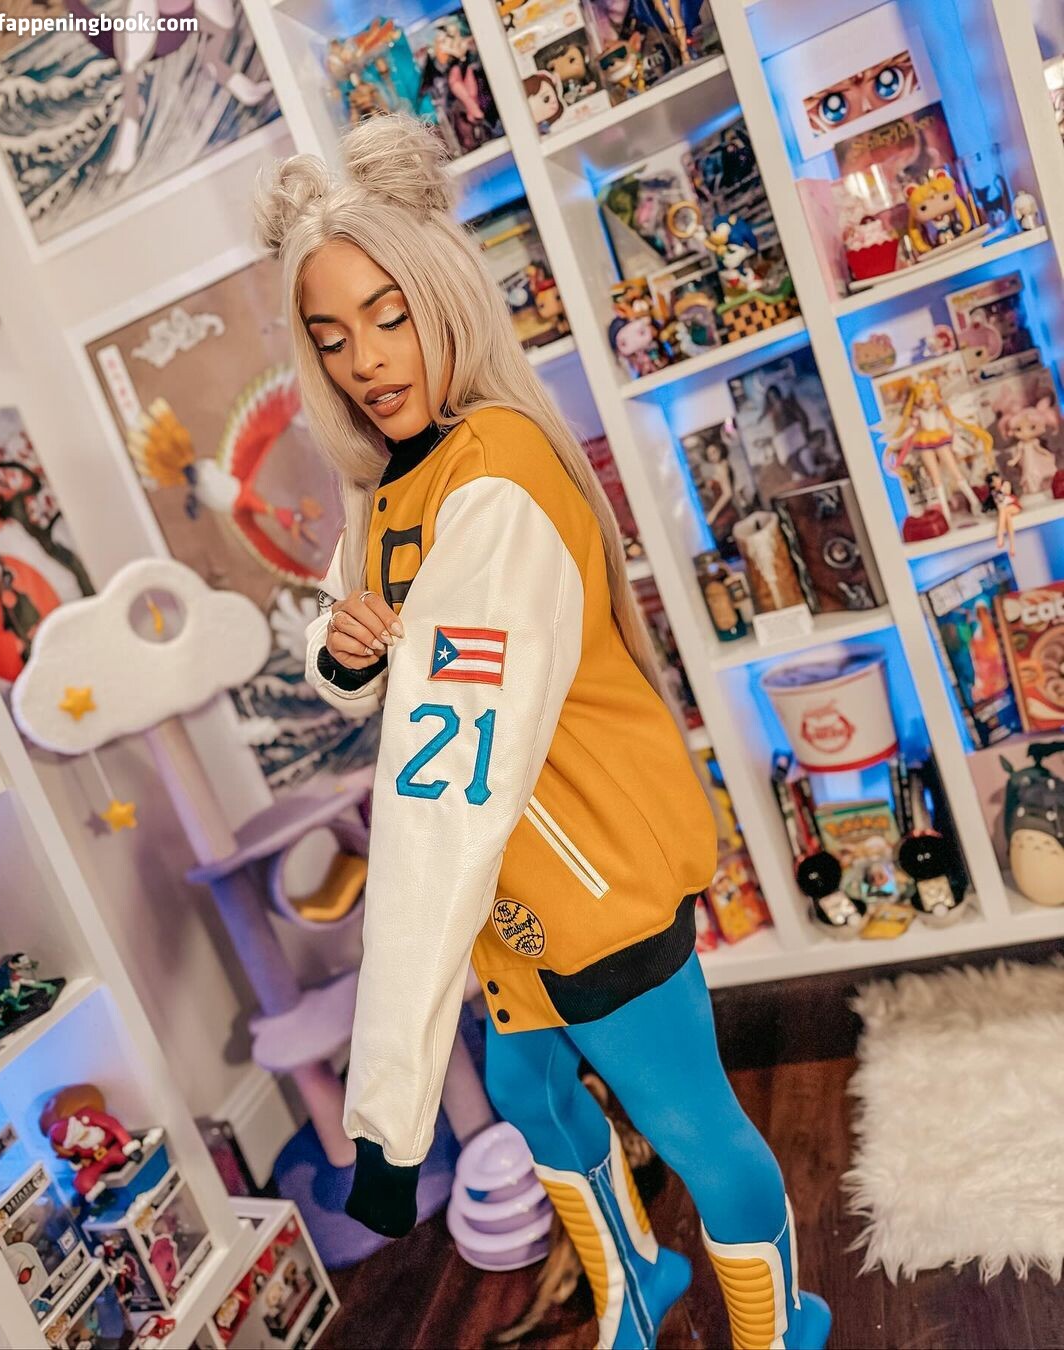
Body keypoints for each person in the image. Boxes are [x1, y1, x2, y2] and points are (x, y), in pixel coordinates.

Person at [254, 113, 831, 1350]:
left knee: (693, 1128)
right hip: (513, 894)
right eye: (332, 335)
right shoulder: (395, 484)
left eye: (389, 315)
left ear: (443, 297)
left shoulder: (496, 478)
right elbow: (361, 648)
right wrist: (344, 653)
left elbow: (441, 780)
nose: (366, 359)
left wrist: (388, 1115)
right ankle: (635, 1287)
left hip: (589, 881)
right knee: (529, 1090)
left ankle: (783, 1324)